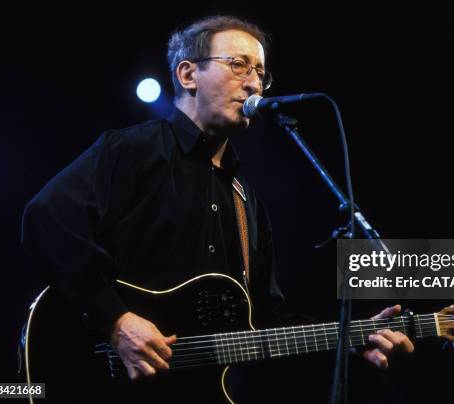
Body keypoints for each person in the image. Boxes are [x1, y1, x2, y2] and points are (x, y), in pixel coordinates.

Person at [21, 14, 413, 399]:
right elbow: (46, 220)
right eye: (239, 65)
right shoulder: (131, 150)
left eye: (261, 72)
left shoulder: (245, 200)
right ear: (188, 75)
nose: (254, 82)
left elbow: (265, 320)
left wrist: (349, 339)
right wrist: (116, 320)